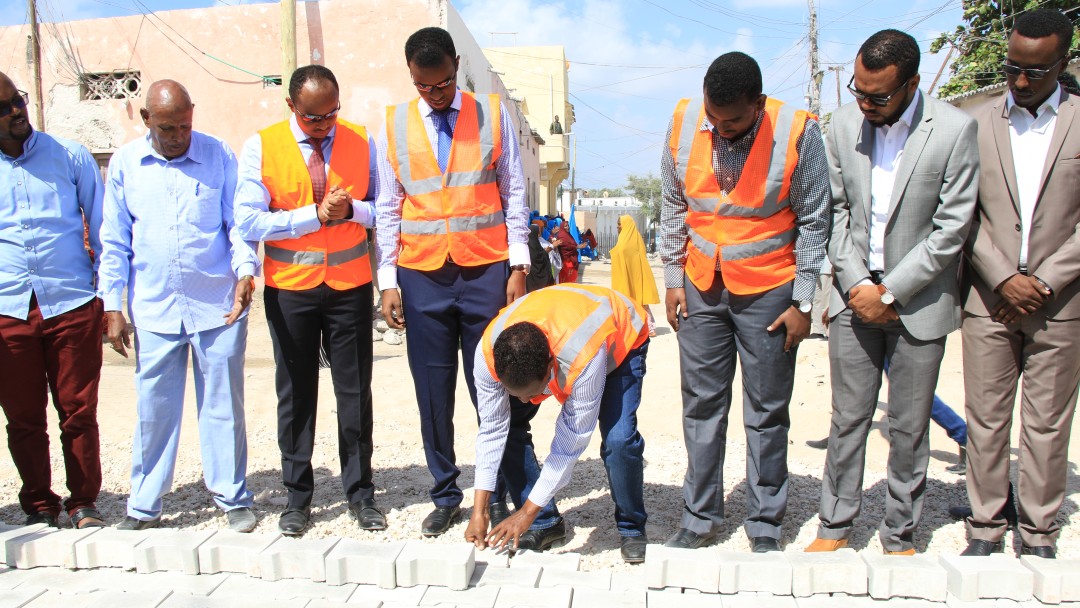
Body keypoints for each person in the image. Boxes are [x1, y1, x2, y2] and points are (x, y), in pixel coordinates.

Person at [376, 27, 561, 542]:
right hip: (422, 276)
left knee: (497, 387)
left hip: (485, 272)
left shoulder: (490, 112)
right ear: (411, 76)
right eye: (423, 87)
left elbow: (513, 192)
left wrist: (519, 265)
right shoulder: (392, 124)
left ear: (456, 66)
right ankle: (445, 493)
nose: (434, 95)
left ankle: (503, 487)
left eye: (443, 84)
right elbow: (389, 207)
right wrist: (387, 279)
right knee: (432, 393)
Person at [806, 29, 978, 556]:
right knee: (847, 418)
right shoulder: (841, 124)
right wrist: (858, 283)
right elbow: (833, 212)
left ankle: (900, 530)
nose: (864, 103)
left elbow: (953, 227)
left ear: (912, 84)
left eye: (877, 96)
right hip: (852, 299)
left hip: (919, 303)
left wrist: (892, 290)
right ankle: (834, 525)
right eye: (858, 89)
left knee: (908, 426)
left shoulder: (953, 129)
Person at [659, 52, 830, 553]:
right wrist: (672, 277)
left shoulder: (799, 131)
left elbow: (816, 219)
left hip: (770, 291)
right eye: (714, 117)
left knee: (767, 409)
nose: (721, 127)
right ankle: (699, 516)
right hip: (701, 285)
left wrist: (802, 302)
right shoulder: (685, 120)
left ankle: (765, 522)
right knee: (702, 404)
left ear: (758, 103)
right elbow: (673, 203)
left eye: (733, 120)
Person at [98, 80, 258, 532]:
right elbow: (114, 241)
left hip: (218, 305)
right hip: (154, 308)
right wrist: (114, 305)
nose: (177, 136)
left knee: (224, 404)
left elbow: (237, 222)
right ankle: (145, 504)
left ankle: (232, 497)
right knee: (154, 407)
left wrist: (246, 272)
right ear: (146, 120)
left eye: (185, 126)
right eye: (167, 128)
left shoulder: (217, 154)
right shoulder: (127, 165)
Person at [234, 65, 385, 537]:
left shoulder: (362, 140)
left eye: (331, 114)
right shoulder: (261, 146)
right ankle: (297, 497)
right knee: (296, 394)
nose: (324, 125)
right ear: (291, 106)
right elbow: (248, 222)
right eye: (312, 118)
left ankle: (361, 494)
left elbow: (386, 208)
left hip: (350, 288)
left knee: (355, 393)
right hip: (291, 290)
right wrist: (310, 217)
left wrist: (354, 211)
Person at [959, 8, 1079, 560]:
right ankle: (985, 524)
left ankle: (1038, 532)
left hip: (1062, 301)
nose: (1021, 81)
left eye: (1035, 71)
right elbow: (960, 213)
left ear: (1063, 63)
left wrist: (1046, 280)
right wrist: (1003, 276)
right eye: (1012, 69)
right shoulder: (976, 123)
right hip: (989, 298)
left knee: (1048, 424)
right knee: (986, 418)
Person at [465, 284, 650, 563]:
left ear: (552, 367)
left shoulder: (581, 356)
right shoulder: (487, 353)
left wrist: (525, 513)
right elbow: (491, 429)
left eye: (531, 392)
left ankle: (631, 528)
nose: (526, 401)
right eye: (517, 394)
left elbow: (569, 445)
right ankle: (545, 522)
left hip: (621, 339)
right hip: (562, 319)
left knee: (618, 439)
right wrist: (479, 510)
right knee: (509, 429)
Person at [0, 71, 105, 529]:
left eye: (17, 100)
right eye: (3, 108)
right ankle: (39, 504)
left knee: (78, 411)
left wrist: (109, 299)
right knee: (23, 417)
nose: (16, 111)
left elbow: (105, 232)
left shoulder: (70, 156)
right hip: (7, 310)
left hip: (72, 304)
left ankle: (84, 502)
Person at [610, 215, 660, 336]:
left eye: (619, 224)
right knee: (632, 302)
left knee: (639, 302)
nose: (617, 226)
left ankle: (647, 328)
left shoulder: (628, 240)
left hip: (634, 275)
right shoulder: (630, 237)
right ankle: (645, 328)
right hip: (626, 275)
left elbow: (623, 252)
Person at [526, 222, 554, 292]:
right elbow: (537, 257)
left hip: (532, 277)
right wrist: (549, 249)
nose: (540, 233)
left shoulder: (533, 243)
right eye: (538, 231)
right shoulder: (532, 245)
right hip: (535, 275)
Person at [555, 220, 580, 284]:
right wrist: (577, 247)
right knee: (566, 280)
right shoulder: (561, 236)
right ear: (562, 227)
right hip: (566, 261)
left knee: (572, 280)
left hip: (572, 260)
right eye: (565, 226)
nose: (567, 227)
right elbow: (566, 246)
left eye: (568, 225)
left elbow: (574, 244)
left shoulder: (569, 235)